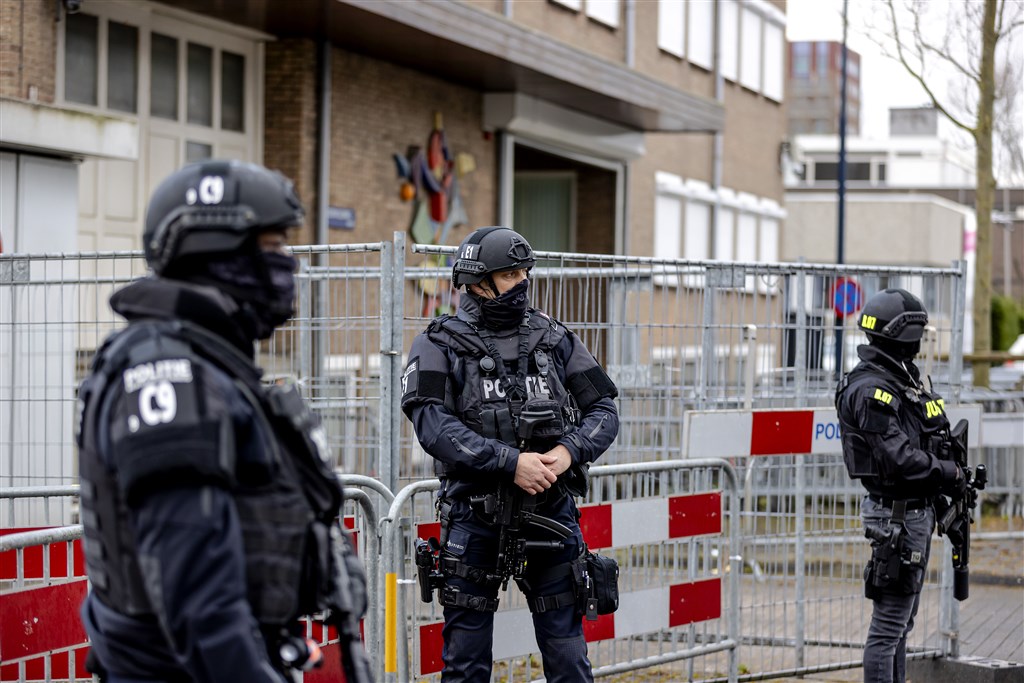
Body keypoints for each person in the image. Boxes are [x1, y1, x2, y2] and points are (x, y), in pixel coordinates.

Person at [75, 160, 371, 682]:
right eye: (274, 247)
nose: (287, 265)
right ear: (217, 253)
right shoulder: (168, 376)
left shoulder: (215, 366)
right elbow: (198, 597)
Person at [401, 226, 620, 682]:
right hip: (474, 520)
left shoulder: (553, 338)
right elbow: (433, 426)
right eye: (509, 274)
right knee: (466, 664)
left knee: (569, 660)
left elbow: (603, 408)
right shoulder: (438, 344)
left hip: (551, 514)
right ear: (478, 282)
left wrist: (568, 451)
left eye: (525, 272)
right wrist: (510, 463)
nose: (522, 282)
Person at [835, 288, 965, 683]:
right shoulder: (872, 389)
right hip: (897, 519)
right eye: (919, 335)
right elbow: (898, 457)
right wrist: (947, 472)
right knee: (889, 628)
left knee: (901, 624)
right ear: (904, 336)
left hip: (912, 513)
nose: (921, 343)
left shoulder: (897, 378)